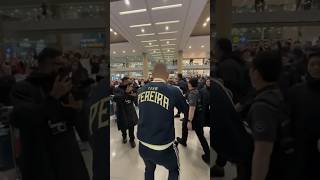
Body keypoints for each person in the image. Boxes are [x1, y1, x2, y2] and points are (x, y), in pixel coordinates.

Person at [10, 48, 90, 180]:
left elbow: (79, 125)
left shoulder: (64, 86)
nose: (63, 69)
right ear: (44, 64)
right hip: (40, 158)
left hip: (68, 156)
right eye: (58, 64)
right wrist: (53, 97)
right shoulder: (23, 88)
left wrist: (77, 109)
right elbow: (22, 118)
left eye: (64, 65)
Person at [137, 63, 188, 180]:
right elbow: (185, 109)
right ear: (167, 75)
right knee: (174, 169)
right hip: (163, 145)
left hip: (143, 143)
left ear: (153, 74)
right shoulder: (173, 90)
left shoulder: (141, 90)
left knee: (149, 169)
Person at [248, 51, 286, 180]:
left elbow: (262, 153)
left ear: (256, 73)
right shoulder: (277, 93)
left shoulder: (262, 106)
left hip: (272, 169)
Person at [287, 51, 320, 180]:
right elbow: (288, 117)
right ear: (307, 66)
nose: (316, 68)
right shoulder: (296, 91)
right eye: (312, 64)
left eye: (319, 64)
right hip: (300, 149)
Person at [176, 78, 210, 164]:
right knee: (184, 126)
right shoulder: (197, 91)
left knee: (200, 135)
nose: (187, 83)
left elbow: (192, 108)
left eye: (188, 82)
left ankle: (208, 155)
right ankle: (183, 141)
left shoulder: (192, 94)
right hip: (197, 116)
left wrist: (189, 121)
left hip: (195, 118)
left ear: (190, 84)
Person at [113, 77, 138, 148]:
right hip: (122, 111)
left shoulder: (131, 88)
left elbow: (134, 98)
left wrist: (134, 96)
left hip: (130, 110)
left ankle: (132, 139)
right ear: (123, 81)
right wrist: (126, 93)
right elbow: (116, 99)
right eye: (128, 81)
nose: (130, 82)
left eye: (130, 81)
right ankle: (124, 137)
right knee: (123, 127)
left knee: (131, 126)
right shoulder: (117, 89)